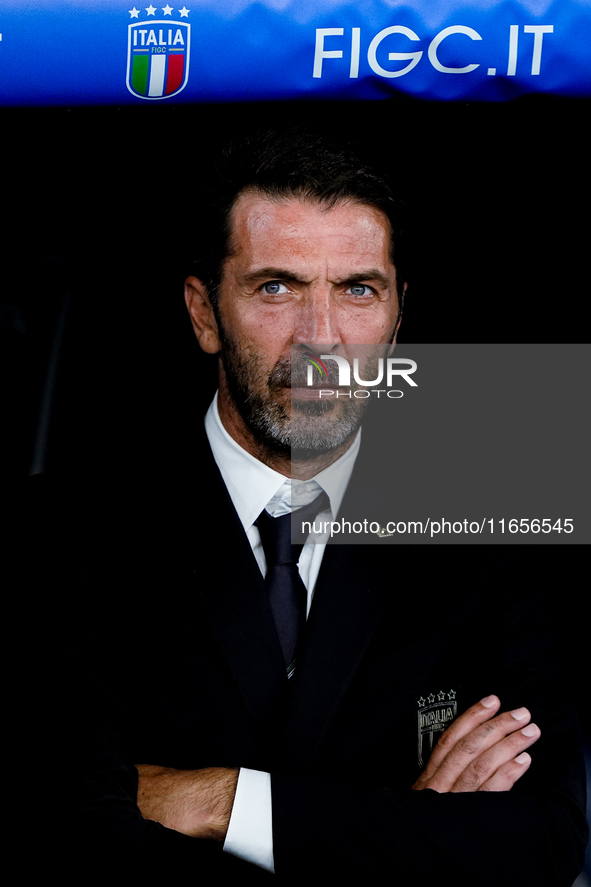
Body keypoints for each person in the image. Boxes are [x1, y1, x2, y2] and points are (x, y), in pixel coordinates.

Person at [68, 129, 586, 885]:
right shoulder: (64, 530)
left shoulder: (498, 522)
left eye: (356, 289)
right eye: (276, 286)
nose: (320, 339)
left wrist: (223, 800)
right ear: (203, 312)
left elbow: (542, 840)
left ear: (397, 315)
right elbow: (73, 843)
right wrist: (404, 829)